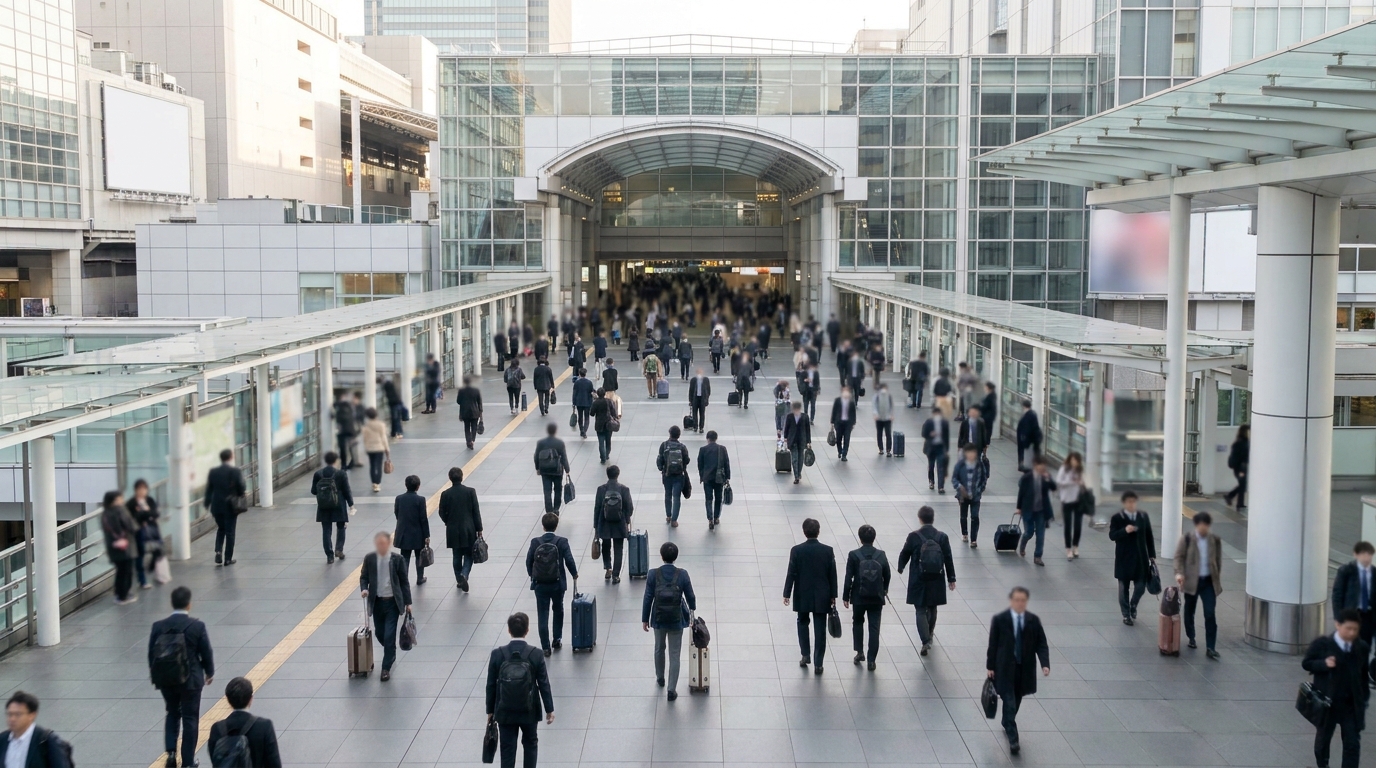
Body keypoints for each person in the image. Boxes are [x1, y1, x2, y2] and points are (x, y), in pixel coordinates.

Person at [149, 586, 214, 768]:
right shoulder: (196, 626)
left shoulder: (158, 626)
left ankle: (170, 754)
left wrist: (157, 676)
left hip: (166, 679)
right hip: (191, 681)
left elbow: (151, 655)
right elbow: (206, 652)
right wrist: (209, 672)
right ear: (189, 604)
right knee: (190, 718)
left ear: (172, 603)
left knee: (172, 712)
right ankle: (187, 761)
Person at [986, 587, 1051, 756]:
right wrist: (990, 666)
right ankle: (1013, 738)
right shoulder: (1000, 620)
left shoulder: (1033, 621)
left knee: (1017, 699)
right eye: (1017, 600)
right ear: (1011, 601)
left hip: (1024, 669)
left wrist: (1045, 664)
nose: (1020, 603)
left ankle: (1007, 720)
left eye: (1023, 600)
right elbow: (993, 645)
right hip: (1005, 669)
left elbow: (1041, 643)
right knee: (1009, 701)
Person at [486, 612, 555, 768]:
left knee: (507, 748)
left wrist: (490, 711)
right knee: (530, 743)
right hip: (529, 711)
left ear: (509, 630)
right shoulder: (536, 654)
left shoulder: (498, 654)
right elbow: (544, 683)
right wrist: (549, 709)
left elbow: (490, 685)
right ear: (527, 630)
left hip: (505, 711)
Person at [897, 506, 956, 655]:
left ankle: (925, 641)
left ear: (920, 518)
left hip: (919, 578)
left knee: (920, 609)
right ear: (933, 518)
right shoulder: (942, 537)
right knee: (932, 607)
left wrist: (900, 567)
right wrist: (951, 578)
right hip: (936, 578)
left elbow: (905, 553)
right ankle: (929, 633)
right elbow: (948, 558)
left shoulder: (913, 536)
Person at [641, 541, 697, 701]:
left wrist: (645, 618)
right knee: (674, 654)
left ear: (661, 556)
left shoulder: (653, 574)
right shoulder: (682, 574)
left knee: (659, 648)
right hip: (676, 619)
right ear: (676, 557)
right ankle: (671, 689)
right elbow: (691, 597)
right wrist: (692, 613)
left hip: (658, 619)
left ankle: (660, 678)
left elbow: (648, 598)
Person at [783, 518, 837, 674]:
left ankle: (805, 654)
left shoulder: (796, 550)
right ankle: (818, 663)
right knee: (820, 629)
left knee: (802, 622)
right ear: (818, 531)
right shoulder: (828, 550)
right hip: (822, 594)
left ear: (804, 532)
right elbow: (832, 574)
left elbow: (791, 572)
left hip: (802, 593)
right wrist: (833, 594)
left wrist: (787, 593)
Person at [360, 531, 411, 681]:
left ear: (389, 544)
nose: (381, 546)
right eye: (379, 544)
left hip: (392, 603)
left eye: (384, 543)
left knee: (389, 635)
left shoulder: (397, 559)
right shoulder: (370, 559)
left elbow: (403, 582)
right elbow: (364, 577)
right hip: (377, 603)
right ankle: (391, 651)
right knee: (379, 633)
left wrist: (408, 602)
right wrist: (364, 588)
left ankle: (385, 668)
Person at [526, 513, 577, 656]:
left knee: (542, 613)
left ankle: (545, 647)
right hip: (557, 583)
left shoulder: (535, 542)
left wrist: (533, 575)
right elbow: (569, 560)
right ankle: (557, 639)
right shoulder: (562, 541)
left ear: (543, 526)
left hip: (540, 585)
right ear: (556, 526)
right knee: (558, 610)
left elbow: (528, 561)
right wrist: (574, 574)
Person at [1173, 511, 1222, 659]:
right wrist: (1179, 573)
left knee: (1209, 613)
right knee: (1190, 610)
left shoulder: (1215, 540)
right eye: (1201, 525)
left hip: (1208, 582)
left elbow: (1218, 561)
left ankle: (1211, 647)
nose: (1203, 528)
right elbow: (1178, 557)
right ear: (1196, 525)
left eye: (1206, 525)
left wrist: (1216, 576)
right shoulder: (1187, 539)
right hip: (1192, 581)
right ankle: (1191, 637)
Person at [842, 524, 891, 671]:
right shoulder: (881, 555)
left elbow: (848, 577)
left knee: (857, 622)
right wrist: (884, 590)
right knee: (874, 627)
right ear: (874, 538)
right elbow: (887, 574)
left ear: (860, 538)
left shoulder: (854, 555)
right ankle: (871, 660)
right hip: (876, 596)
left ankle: (859, 652)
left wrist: (846, 595)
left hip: (859, 596)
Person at [207, 678, 282, 768]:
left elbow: (215, 759)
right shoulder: (264, 726)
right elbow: (274, 762)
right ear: (251, 699)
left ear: (228, 700)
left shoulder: (217, 728)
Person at [1108, 490, 1156, 624]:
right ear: (1124, 503)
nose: (1131, 504)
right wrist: (1124, 531)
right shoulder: (1117, 518)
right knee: (1123, 588)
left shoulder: (1143, 516)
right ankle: (1126, 614)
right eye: (1129, 502)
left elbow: (1149, 536)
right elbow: (1112, 535)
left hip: (1140, 557)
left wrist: (1151, 555)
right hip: (1124, 558)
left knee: (1140, 587)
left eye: (1133, 501)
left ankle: (1133, 604)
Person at [438, 467, 482, 593]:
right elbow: (476, 511)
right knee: (469, 554)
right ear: (462, 477)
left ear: (450, 478)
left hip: (452, 529)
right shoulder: (470, 492)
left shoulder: (445, 494)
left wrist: (448, 521)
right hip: (468, 528)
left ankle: (459, 578)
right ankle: (464, 574)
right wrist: (479, 528)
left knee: (456, 555)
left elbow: (441, 512)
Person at [0, 692, 72, 768]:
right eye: (9, 714)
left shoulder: (46, 740)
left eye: (18, 714)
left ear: (32, 715)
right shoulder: (2, 740)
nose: (12, 719)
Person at [593, 465, 635, 583]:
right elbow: (630, 508)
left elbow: (597, 508)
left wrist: (596, 526)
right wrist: (626, 519)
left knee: (606, 546)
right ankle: (616, 575)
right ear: (618, 474)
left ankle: (608, 568)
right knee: (618, 548)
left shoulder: (601, 489)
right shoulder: (624, 489)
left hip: (604, 523)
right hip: (619, 524)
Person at [311, 451, 354, 564]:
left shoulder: (318, 474)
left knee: (326, 530)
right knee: (341, 526)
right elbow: (346, 491)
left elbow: (313, 491)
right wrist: (351, 504)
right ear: (336, 461)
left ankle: (329, 556)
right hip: (339, 504)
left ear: (326, 461)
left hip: (323, 506)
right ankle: (339, 549)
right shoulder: (341, 474)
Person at [1332, 542, 1376, 651]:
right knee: (1350, 645)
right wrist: (1338, 617)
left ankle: (1363, 667)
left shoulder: (1374, 572)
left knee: (1365, 646)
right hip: (1351, 614)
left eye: (1369, 555)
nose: (1367, 558)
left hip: (1369, 615)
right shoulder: (1346, 571)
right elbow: (1337, 595)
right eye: (1364, 554)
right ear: (1355, 555)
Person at [204, 448, 245, 566]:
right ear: (231, 457)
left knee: (221, 528)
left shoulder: (213, 472)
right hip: (230, 507)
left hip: (216, 507)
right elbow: (242, 488)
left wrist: (207, 504)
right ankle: (228, 558)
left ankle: (218, 551)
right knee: (230, 532)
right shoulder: (235, 472)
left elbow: (209, 490)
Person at [1016, 456, 1058, 565]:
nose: (1042, 469)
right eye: (1040, 466)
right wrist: (1019, 507)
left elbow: (1054, 488)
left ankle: (1038, 556)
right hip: (1028, 509)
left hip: (1041, 511)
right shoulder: (1027, 478)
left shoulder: (1045, 477)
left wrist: (1048, 478)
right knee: (1029, 532)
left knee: (1040, 534)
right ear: (1035, 466)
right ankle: (1023, 543)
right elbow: (1021, 493)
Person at [101, 490, 139, 605]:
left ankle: (119, 594)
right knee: (126, 571)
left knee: (120, 571)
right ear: (115, 500)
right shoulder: (120, 510)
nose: (122, 500)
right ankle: (124, 595)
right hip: (125, 546)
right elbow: (131, 525)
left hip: (113, 547)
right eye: (120, 498)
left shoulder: (105, 513)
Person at [394, 475, 430, 585]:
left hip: (403, 532)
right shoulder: (420, 499)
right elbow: (423, 518)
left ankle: (403, 579)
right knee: (419, 556)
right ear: (418, 486)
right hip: (417, 533)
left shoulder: (399, 498)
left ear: (406, 485)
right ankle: (420, 578)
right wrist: (427, 535)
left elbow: (397, 513)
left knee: (405, 557)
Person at [127, 479, 162, 590]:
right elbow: (132, 518)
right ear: (136, 490)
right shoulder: (131, 503)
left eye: (144, 489)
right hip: (138, 532)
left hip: (152, 530)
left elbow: (155, 513)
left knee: (157, 550)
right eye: (140, 489)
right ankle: (142, 580)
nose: (142, 491)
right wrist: (145, 513)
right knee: (139, 555)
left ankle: (150, 569)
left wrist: (144, 512)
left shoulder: (149, 500)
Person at [951, 445, 987, 548]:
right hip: (963, 496)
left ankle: (974, 539)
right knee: (963, 516)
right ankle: (965, 533)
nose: (971, 455)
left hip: (975, 496)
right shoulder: (960, 465)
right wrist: (959, 487)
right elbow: (954, 478)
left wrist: (980, 490)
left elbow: (984, 478)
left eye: (973, 453)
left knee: (975, 516)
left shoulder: (979, 465)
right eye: (969, 453)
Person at [656, 425, 691, 528]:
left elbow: (660, 459)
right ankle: (674, 520)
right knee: (676, 497)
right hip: (679, 476)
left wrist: (661, 468)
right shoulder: (682, 447)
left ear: (669, 433)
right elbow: (687, 460)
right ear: (679, 435)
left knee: (668, 495)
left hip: (667, 475)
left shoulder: (664, 445)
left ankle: (668, 515)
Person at [533, 423, 570, 515]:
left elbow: (536, 456)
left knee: (547, 491)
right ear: (555, 431)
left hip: (545, 470)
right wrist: (567, 469)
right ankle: (556, 509)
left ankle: (549, 510)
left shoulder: (541, 443)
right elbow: (564, 457)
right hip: (557, 470)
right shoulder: (559, 443)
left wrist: (537, 468)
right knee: (558, 490)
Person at [696, 431, 730, 529]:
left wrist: (702, 476)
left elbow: (700, 464)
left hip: (707, 478)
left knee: (708, 499)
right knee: (718, 499)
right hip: (719, 478)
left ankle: (710, 518)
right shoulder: (722, 449)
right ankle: (716, 518)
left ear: (707, 439)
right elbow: (726, 463)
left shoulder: (703, 449)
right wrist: (727, 477)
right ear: (716, 438)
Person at [1056, 452, 1086, 560]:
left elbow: (1083, 482)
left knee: (1078, 525)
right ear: (1069, 460)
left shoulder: (1080, 470)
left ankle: (1075, 546)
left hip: (1078, 500)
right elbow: (1059, 481)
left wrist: (1081, 482)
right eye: (1073, 460)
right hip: (1067, 500)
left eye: (1076, 461)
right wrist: (1070, 481)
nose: (1074, 462)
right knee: (1068, 525)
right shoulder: (1064, 468)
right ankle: (1068, 548)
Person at [359, 407, 390, 493]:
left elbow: (364, 438)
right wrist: (387, 448)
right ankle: (378, 483)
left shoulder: (365, 426)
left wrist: (365, 447)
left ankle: (374, 484)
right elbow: (384, 437)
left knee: (372, 466)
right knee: (379, 466)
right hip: (379, 447)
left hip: (370, 449)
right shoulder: (381, 425)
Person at [921, 406, 950, 493]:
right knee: (931, 466)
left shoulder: (944, 423)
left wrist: (946, 449)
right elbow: (923, 434)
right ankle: (931, 481)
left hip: (940, 447)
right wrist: (931, 434)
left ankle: (941, 486)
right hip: (931, 447)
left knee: (940, 467)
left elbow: (946, 437)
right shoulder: (928, 422)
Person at [783, 401, 811, 484]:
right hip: (793, 440)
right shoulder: (790, 417)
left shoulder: (805, 417)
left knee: (800, 458)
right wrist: (785, 438)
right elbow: (786, 428)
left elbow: (807, 430)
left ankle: (798, 472)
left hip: (802, 440)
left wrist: (808, 441)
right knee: (795, 458)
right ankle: (796, 475)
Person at [1224, 424, 1249, 510]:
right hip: (1240, 468)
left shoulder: (1241, 442)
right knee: (1242, 485)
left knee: (1242, 485)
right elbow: (1242, 457)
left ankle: (1238, 501)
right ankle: (1232, 498)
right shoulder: (1242, 443)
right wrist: (1242, 470)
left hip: (1239, 467)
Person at [830, 386, 858, 462]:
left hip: (848, 424)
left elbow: (853, 413)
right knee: (838, 439)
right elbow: (834, 411)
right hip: (839, 423)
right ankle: (840, 451)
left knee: (847, 439)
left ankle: (844, 454)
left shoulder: (851, 402)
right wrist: (832, 422)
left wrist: (853, 422)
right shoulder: (837, 401)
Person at [333, 391, 359, 468]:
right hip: (350, 430)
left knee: (342, 448)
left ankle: (344, 464)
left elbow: (336, 406)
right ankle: (352, 461)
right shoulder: (350, 407)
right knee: (351, 446)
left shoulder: (340, 407)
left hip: (342, 431)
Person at [457, 375, 484, 450]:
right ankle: (472, 440)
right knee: (474, 427)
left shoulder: (461, 391)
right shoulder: (476, 390)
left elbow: (458, 401)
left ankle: (468, 441)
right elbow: (479, 402)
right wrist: (480, 412)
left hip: (465, 411)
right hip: (475, 411)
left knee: (467, 427)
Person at [1016, 400, 1042, 470]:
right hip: (1031, 438)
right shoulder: (1031, 414)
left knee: (1028, 452)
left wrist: (1025, 439)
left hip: (1029, 439)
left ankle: (1025, 464)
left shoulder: (1029, 415)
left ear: (1024, 406)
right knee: (1034, 452)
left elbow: (1028, 428)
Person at [591, 388, 615, 463]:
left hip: (599, 424)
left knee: (601, 442)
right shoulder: (609, 401)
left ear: (597, 394)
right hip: (608, 424)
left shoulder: (595, 403)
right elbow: (613, 412)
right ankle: (607, 454)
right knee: (608, 441)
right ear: (604, 394)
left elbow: (591, 413)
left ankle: (603, 457)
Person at [570, 368, 594, 438]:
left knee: (580, 417)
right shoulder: (589, 382)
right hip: (587, 402)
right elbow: (591, 391)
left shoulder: (577, 383)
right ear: (585, 374)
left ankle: (581, 430)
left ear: (579, 374)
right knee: (587, 417)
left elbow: (574, 393)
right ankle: (584, 431)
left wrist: (574, 403)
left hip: (579, 402)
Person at [873, 383, 894, 456]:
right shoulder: (877, 396)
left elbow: (891, 405)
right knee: (880, 433)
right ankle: (881, 448)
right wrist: (875, 414)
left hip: (887, 418)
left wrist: (891, 414)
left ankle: (888, 449)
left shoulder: (889, 396)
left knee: (887, 433)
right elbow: (874, 405)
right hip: (879, 418)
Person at [687, 367, 710, 434]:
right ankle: (695, 426)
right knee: (694, 413)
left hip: (702, 398)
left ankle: (701, 427)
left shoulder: (706, 380)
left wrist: (707, 399)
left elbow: (708, 390)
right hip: (695, 398)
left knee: (702, 413)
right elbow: (691, 390)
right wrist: (690, 400)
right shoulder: (693, 380)